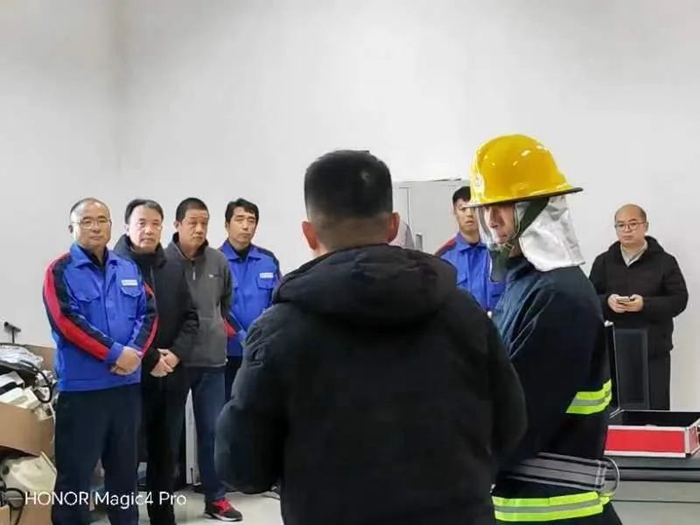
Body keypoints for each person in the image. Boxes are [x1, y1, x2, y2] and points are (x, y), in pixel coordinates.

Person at [215, 150, 527, 525]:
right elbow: (511, 425)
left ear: (309, 233)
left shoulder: (278, 332)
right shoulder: (464, 314)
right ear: (393, 226)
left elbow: (243, 468)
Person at [466, 134, 622, 524]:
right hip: (528, 508)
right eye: (486, 208)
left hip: (554, 514)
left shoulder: (559, 296)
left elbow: (514, 424)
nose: (491, 220)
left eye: (504, 206)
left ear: (540, 209)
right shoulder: (527, 285)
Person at [42, 198, 157, 525]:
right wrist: (115, 353)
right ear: (72, 228)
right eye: (87, 221)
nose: (95, 227)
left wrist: (134, 353)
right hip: (82, 393)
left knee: (124, 476)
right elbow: (67, 321)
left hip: (125, 390)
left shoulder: (128, 268)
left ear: (111, 225)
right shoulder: (60, 271)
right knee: (75, 480)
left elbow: (149, 313)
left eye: (102, 220)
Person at [113, 199, 199, 525]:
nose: (149, 230)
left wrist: (175, 354)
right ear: (127, 227)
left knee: (165, 454)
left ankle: (163, 516)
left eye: (155, 224)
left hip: (171, 375)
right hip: (130, 377)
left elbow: (191, 318)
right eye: (141, 223)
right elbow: (120, 324)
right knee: (126, 455)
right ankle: (125, 518)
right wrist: (150, 359)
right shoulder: (115, 267)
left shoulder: (173, 268)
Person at [165, 198, 243, 522]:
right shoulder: (163, 261)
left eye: (204, 223)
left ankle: (216, 498)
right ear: (177, 225)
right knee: (168, 433)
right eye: (192, 222)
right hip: (173, 362)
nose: (199, 229)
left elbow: (225, 302)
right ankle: (163, 501)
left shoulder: (218, 261)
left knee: (212, 430)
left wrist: (212, 326)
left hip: (212, 360)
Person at [589, 204, 688, 410]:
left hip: (653, 350)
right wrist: (608, 302)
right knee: (618, 412)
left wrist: (644, 304)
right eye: (621, 225)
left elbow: (679, 300)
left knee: (655, 411)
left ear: (645, 226)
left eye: (633, 224)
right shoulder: (604, 262)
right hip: (615, 351)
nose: (627, 230)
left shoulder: (665, 262)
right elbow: (589, 299)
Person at [220, 198, 281, 402]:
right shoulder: (215, 260)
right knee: (225, 409)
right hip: (226, 355)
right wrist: (242, 337)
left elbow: (277, 303)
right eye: (240, 220)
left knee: (259, 409)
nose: (246, 226)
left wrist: (261, 338)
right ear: (227, 224)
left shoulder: (268, 260)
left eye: (251, 220)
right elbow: (216, 307)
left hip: (261, 354)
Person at [436, 186, 505, 312]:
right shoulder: (443, 258)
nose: (469, 214)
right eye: (463, 209)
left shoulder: (499, 252)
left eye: (474, 208)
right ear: (455, 212)